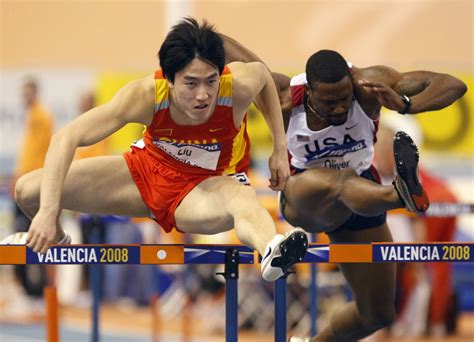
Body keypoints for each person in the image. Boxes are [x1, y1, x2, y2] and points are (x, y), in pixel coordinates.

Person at [6, 18, 309, 282]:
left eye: (210, 81)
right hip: (144, 173)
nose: (203, 95)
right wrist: (48, 213)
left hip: (204, 187)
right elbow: (65, 138)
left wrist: (279, 148)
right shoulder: (145, 96)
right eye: (190, 83)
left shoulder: (237, 86)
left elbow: (263, 78)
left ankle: (273, 249)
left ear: (221, 74)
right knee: (27, 189)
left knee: (241, 198)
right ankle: (58, 240)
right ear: (169, 78)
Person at [221, 34, 467, 340]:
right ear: (309, 91)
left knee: (377, 313)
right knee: (341, 180)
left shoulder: (368, 86)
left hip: (362, 198)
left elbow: (454, 85)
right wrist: (200, 35)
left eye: (344, 98)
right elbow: (241, 58)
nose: (339, 108)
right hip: (304, 196)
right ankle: (400, 195)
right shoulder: (284, 97)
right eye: (329, 101)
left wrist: (405, 104)